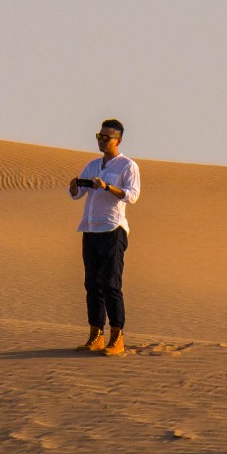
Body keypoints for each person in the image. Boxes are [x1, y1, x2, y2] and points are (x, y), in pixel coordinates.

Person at [69, 119, 140, 356]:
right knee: (92, 284)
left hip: (112, 229)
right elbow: (78, 195)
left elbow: (132, 196)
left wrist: (107, 186)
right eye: (99, 136)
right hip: (90, 229)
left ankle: (117, 337)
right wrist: (75, 186)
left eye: (106, 138)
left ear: (118, 140)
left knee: (111, 284)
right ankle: (95, 335)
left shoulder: (127, 166)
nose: (101, 141)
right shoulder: (92, 165)